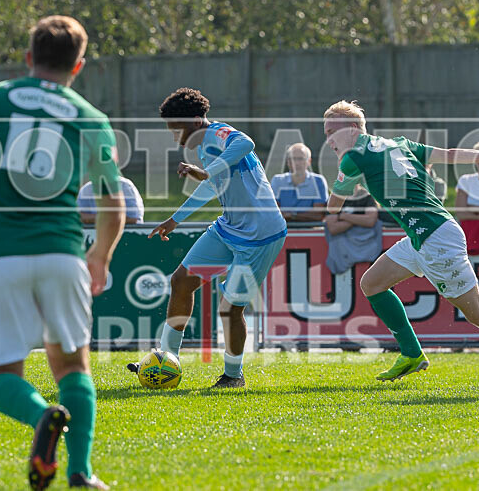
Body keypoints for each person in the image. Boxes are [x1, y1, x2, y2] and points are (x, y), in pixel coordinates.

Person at [0, 16, 124, 489]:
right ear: (79, 65)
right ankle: (81, 472)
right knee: (73, 367)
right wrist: (100, 255)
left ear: (29, 57)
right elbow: (112, 201)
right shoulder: (90, 117)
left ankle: (41, 418)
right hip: (62, 254)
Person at [324, 100, 479, 387]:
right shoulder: (397, 143)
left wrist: (348, 184)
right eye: (326, 134)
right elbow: (449, 155)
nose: (329, 141)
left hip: (435, 239)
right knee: (372, 283)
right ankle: (411, 354)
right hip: (427, 233)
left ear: (352, 129)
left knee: (478, 312)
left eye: (332, 133)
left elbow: (333, 207)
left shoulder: (353, 159)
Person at [127, 87, 286, 388]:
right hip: (229, 227)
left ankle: (233, 376)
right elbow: (212, 185)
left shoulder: (218, 132)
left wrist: (207, 171)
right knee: (181, 281)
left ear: (195, 121)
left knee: (230, 308)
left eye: (177, 128)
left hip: (260, 235)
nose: (175, 137)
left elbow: (246, 142)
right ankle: (165, 361)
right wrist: (175, 219)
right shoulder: (204, 147)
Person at [324, 183, 382, 275]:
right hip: (342, 252)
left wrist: (343, 216)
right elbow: (333, 228)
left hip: (367, 248)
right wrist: (359, 220)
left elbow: (370, 221)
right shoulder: (335, 199)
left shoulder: (368, 197)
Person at [270, 143, 328, 222]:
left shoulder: (318, 181)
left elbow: (318, 214)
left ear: (309, 161)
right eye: (293, 159)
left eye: (300, 159)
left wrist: (292, 215)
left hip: (310, 228)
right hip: (283, 228)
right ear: (288, 162)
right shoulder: (277, 180)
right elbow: (273, 213)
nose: (296, 163)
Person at [78, 177, 144, 224]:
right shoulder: (86, 188)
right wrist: (112, 218)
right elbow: (78, 217)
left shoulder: (125, 186)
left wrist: (94, 218)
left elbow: (132, 219)